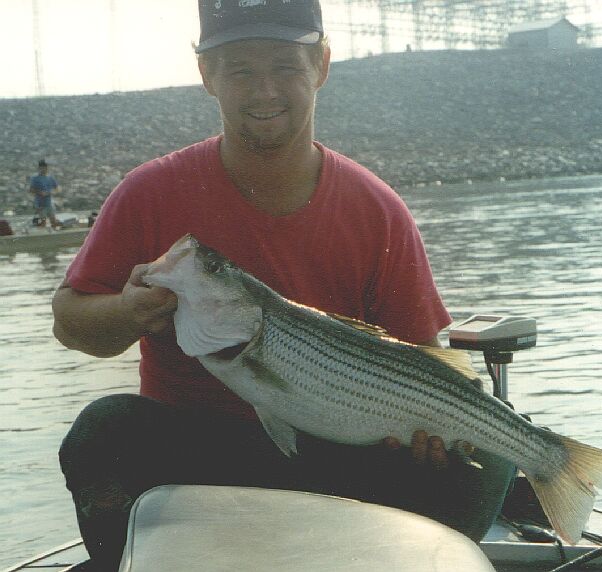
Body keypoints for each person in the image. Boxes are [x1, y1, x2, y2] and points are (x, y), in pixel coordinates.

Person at [52, 0, 514, 569]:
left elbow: (424, 359)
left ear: (321, 65)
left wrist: (432, 434)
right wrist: (126, 312)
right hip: (196, 446)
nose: (264, 89)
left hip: (339, 447)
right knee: (105, 429)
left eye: (286, 66)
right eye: (240, 69)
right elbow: (71, 322)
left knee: (489, 463)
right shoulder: (150, 191)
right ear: (206, 76)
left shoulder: (377, 210)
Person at [29, 159, 61, 228]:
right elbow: (31, 189)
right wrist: (40, 192)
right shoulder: (35, 178)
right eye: (42, 168)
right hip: (40, 203)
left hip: (49, 202)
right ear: (39, 168)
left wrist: (51, 192)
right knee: (43, 222)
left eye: (45, 167)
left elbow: (57, 188)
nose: (43, 169)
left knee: (53, 221)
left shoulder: (50, 177)